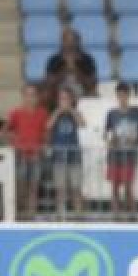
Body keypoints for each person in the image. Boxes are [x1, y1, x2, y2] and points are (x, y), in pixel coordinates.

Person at [103, 82, 138, 221]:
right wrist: (109, 142)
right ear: (116, 96)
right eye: (119, 95)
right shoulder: (112, 114)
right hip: (114, 155)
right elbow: (105, 134)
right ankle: (115, 215)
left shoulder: (137, 112)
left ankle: (132, 215)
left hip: (129, 156)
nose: (122, 98)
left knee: (128, 187)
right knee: (115, 187)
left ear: (128, 95)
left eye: (124, 95)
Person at [7, 83, 49, 219]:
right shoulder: (16, 113)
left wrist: (44, 146)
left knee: (34, 186)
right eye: (27, 95)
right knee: (20, 186)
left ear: (37, 97)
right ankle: (19, 214)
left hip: (36, 155)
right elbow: (7, 131)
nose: (30, 98)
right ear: (23, 96)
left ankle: (31, 215)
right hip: (21, 156)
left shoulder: (43, 113)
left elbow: (46, 133)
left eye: (33, 95)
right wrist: (15, 144)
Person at [47, 86, 85, 217]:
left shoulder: (75, 112)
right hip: (59, 156)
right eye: (61, 98)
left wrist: (71, 111)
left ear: (71, 100)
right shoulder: (55, 113)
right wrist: (58, 112)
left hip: (74, 155)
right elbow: (48, 125)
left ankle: (78, 215)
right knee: (60, 188)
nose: (64, 101)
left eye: (66, 98)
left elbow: (82, 124)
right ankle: (60, 215)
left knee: (76, 187)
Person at [45, 28, 97, 97]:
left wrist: (75, 70)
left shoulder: (87, 59)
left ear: (77, 42)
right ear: (62, 42)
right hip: (59, 96)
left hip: (82, 94)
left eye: (72, 41)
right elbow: (48, 83)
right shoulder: (54, 60)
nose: (70, 44)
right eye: (67, 41)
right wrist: (65, 70)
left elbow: (92, 84)